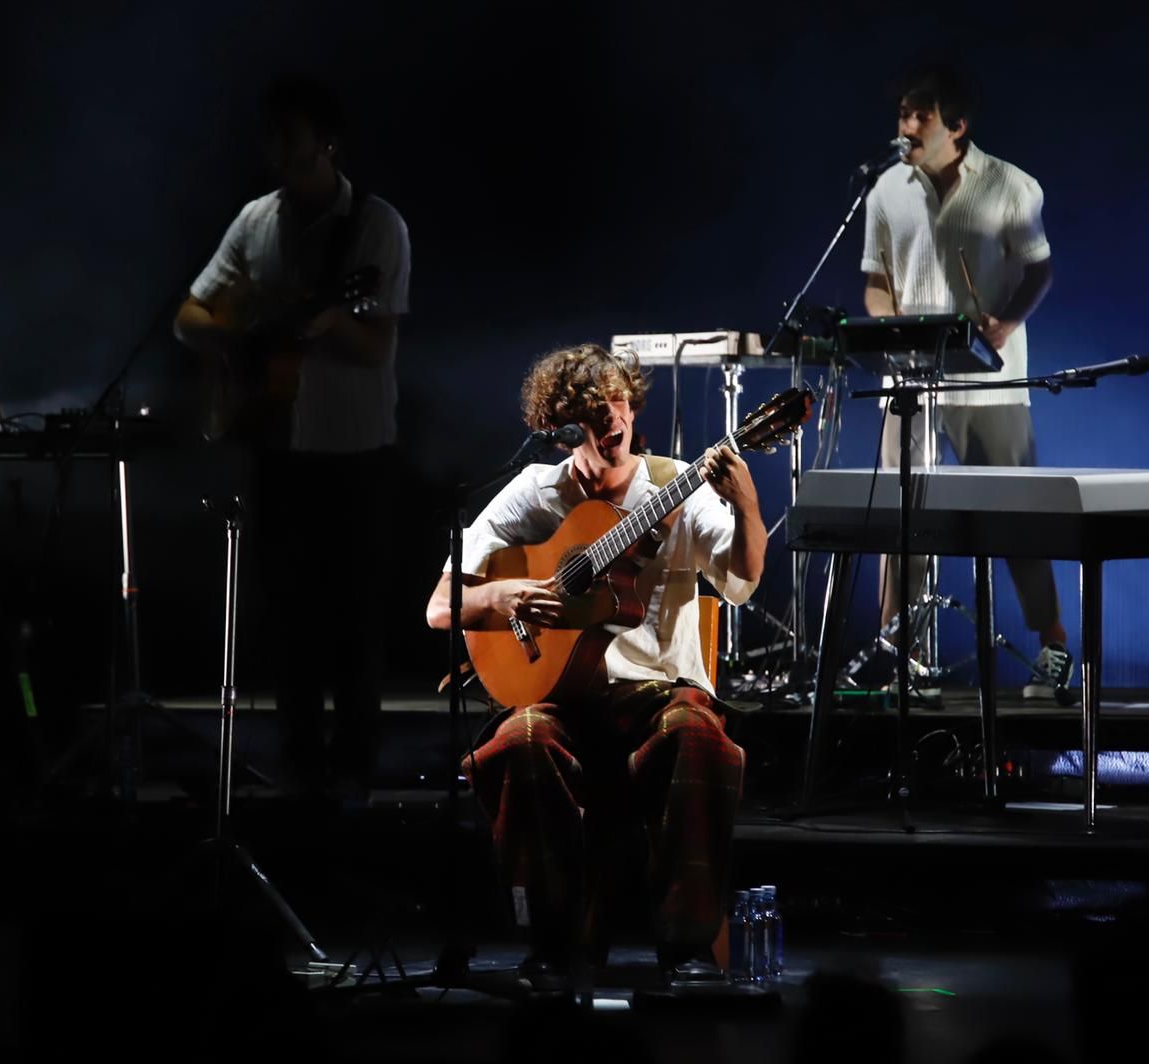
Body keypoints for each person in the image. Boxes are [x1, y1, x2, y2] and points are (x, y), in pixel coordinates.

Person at [425, 343, 764, 985]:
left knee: (697, 735)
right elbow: (441, 608)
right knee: (517, 740)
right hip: (559, 699)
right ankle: (551, 943)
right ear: (560, 427)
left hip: (657, 694)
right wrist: (506, 594)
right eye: (590, 409)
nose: (611, 418)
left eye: (617, 400)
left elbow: (744, 578)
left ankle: (688, 949)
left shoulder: (673, 486)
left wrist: (746, 504)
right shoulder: (534, 493)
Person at [173, 75, 410, 798]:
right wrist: (243, 342)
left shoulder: (375, 226)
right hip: (277, 443)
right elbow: (190, 315)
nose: (275, 146)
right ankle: (301, 764)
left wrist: (333, 322)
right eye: (271, 133)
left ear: (326, 143)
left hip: (354, 449)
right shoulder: (255, 221)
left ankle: (355, 770)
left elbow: (375, 346)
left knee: (353, 616)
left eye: (290, 134)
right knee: (288, 614)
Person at [861, 63, 1071, 699]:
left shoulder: (1010, 186)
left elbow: (1040, 272)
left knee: (1015, 516)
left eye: (920, 115)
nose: (906, 126)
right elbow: (876, 283)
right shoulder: (884, 192)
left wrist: (1005, 323)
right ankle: (904, 657)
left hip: (990, 384)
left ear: (957, 125)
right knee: (899, 521)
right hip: (913, 384)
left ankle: (1054, 648)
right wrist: (891, 328)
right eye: (902, 114)